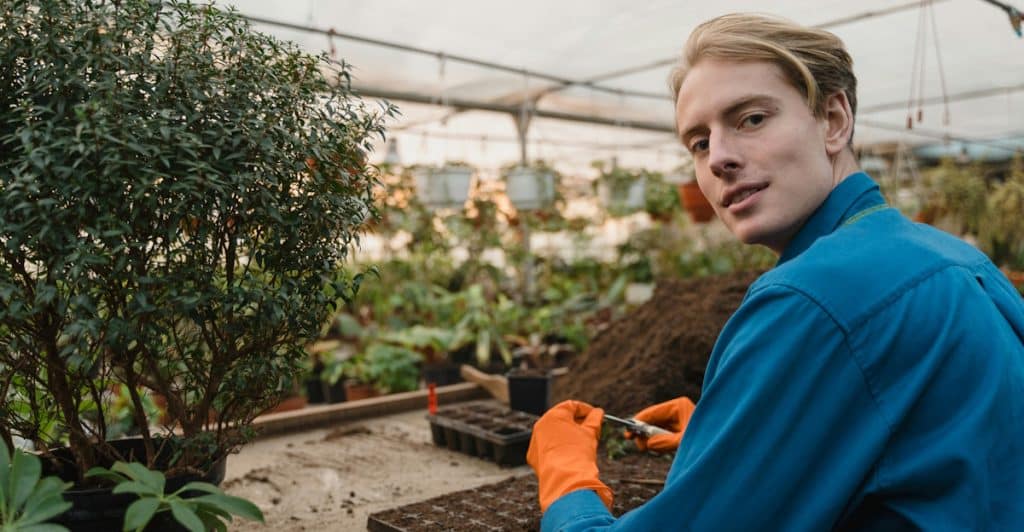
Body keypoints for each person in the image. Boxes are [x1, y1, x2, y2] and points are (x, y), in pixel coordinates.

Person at [527, 13, 1024, 531]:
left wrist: (568, 482)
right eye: (698, 142)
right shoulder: (962, 261)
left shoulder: (812, 298)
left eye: (751, 119)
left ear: (833, 120)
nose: (718, 158)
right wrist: (737, 437)